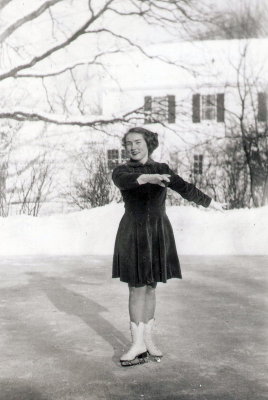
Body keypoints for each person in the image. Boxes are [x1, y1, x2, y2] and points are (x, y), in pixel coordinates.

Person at [112, 127, 226, 367]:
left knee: (151, 287)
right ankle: (137, 344)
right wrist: (148, 178)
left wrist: (210, 202)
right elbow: (125, 181)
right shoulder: (122, 170)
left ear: (148, 144)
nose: (133, 147)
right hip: (133, 231)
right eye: (129, 143)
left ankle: (148, 340)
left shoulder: (162, 168)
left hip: (157, 232)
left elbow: (184, 188)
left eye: (138, 142)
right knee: (136, 288)